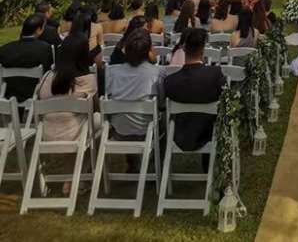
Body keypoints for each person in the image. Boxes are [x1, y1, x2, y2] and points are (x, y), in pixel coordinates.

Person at [37, 33, 99, 195]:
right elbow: (95, 108)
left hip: (47, 133)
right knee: (97, 122)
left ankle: (70, 179)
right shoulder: (87, 79)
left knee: (75, 122)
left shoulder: (46, 77)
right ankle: (79, 181)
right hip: (74, 133)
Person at [163, 28, 226, 157]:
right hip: (208, 133)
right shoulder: (215, 75)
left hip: (180, 134)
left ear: (184, 48)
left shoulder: (170, 82)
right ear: (203, 51)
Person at [105, 28, 160, 170]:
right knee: (165, 120)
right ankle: (152, 166)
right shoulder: (156, 74)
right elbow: (162, 102)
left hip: (119, 131)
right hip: (146, 131)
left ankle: (133, 163)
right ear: (149, 50)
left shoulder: (112, 73)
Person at [0, 13, 54, 102]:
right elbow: (47, 71)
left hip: (10, 95)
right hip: (34, 94)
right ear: (38, 30)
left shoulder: (5, 49)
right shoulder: (44, 48)